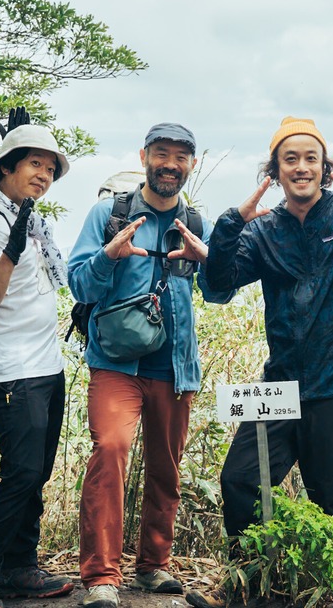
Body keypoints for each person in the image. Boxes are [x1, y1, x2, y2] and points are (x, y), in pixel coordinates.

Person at [186, 116, 333, 608]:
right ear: (274, 171)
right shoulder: (263, 230)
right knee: (240, 481)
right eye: (290, 159)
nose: (301, 166)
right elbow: (218, 289)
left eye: (310, 158)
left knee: (329, 499)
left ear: (325, 168)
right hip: (278, 388)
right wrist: (229, 226)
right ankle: (250, 592)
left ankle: (320, 597)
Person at [67, 123, 234, 608]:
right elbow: (80, 286)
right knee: (111, 451)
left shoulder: (195, 223)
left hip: (174, 366)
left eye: (181, 157)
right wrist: (108, 256)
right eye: (162, 154)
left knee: (166, 468)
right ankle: (102, 576)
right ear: (144, 156)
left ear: (192, 165)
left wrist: (208, 262)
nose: (170, 164)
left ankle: (153, 566)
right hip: (116, 362)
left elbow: (218, 295)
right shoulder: (110, 213)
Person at [0, 114, 76, 608]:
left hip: (47, 366)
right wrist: (9, 246)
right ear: (5, 167)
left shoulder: (35, 220)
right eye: (34, 163)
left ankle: (20, 566)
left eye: (51, 168)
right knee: (21, 472)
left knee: (36, 473)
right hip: (10, 369)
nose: (44, 175)